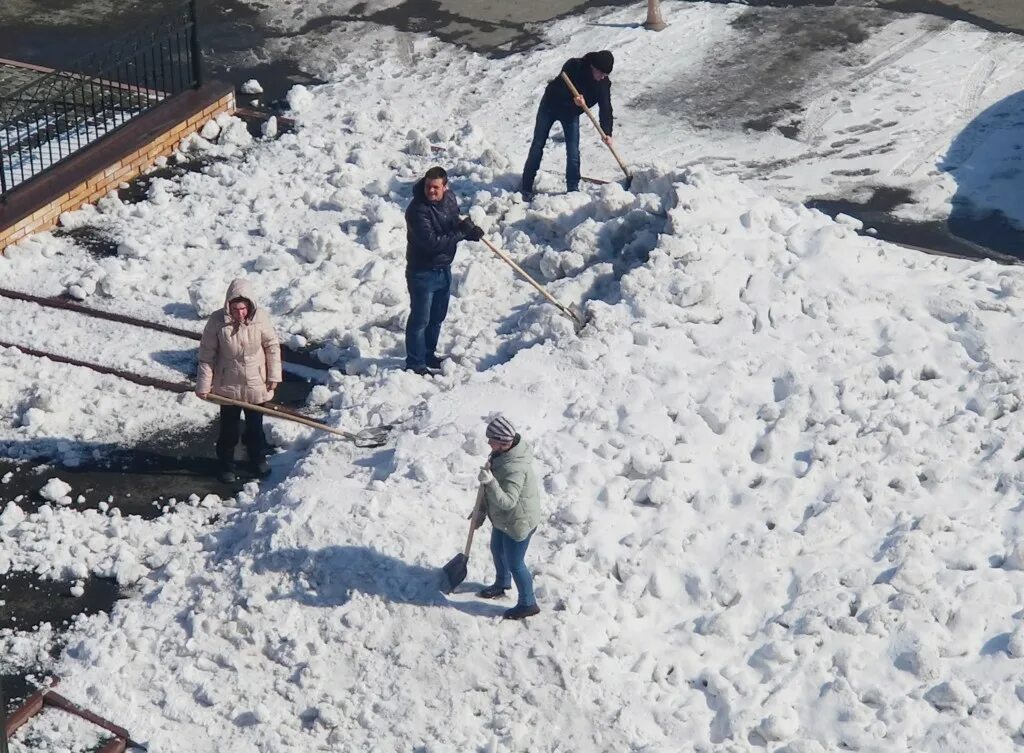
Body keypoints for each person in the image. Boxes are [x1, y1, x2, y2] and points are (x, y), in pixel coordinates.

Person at [195, 278, 282, 483]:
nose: (239, 313)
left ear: (249, 306)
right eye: (235, 308)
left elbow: (272, 346)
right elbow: (207, 355)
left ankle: (257, 460)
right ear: (228, 305)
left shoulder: (261, 318)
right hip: (228, 385)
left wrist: (273, 376)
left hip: (256, 384)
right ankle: (226, 465)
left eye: (243, 308)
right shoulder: (217, 321)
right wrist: (203, 385)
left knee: (255, 428)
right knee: (229, 431)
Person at [404, 166, 483, 375]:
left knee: (437, 317)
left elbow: (453, 224)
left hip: (443, 269)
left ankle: (428, 354)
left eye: (436, 188)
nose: (431, 191)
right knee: (420, 320)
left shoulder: (449, 200)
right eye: (428, 187)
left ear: (445, 187)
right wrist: (460, 233)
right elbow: (433, 243)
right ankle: (415, 362)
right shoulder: (417, 210)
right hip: (422, 272)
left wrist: (470, 232)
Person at [473, 415, 543, 620]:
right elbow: (491, 494)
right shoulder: (501, 455)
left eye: (491, 439)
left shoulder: (515, 467)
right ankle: (502, 583)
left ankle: (528, 604)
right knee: (497, 549)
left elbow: (508, 501)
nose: (488, 443)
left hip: (518, 521)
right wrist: (481, 512)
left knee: (516, 563)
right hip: (504, 518)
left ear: (503, 442)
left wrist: (491, 482)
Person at [520, 50, 615, 200]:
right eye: (601, 73)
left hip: (571, 114)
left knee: (573, 151)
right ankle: (526, 186)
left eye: (605, 75)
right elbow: (557, 89)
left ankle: (572, 189)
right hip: (550, 106)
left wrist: (607, 132)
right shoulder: (574, 66)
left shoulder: (603, 84)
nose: (602, 77)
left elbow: (606, 108)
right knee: (538, 144)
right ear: (593, 67)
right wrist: (573, 100)